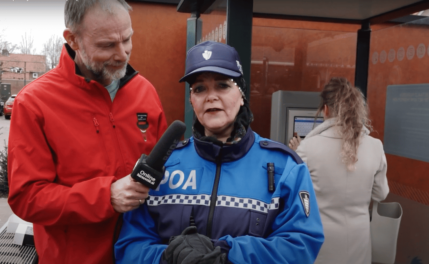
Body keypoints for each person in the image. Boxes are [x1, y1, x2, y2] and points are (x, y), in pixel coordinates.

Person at [115, 41, 324, 264]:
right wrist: (168, 257)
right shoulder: (162, 167)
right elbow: (129, 248)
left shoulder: (285, 167)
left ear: (242, 95)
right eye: (199, 89)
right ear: (192, 101)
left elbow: (300, 246)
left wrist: (227, 254)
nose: (211, 96)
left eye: (223, 85)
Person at [7, 0, 167, 263]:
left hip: (142, 255)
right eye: (107, 45)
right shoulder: (35, 102)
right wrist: (106, 197)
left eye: (127, 39)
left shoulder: (145, 91)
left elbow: (167, 170)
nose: (123, 53)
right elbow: (27, 197)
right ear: (73, 40)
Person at [288, 77, 389, 264]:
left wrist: (295, 155)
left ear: (325, 109)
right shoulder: (375, 146)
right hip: (359, 240)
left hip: (320, 241)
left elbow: (296, 197)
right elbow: (380, 193)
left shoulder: (308, 148)